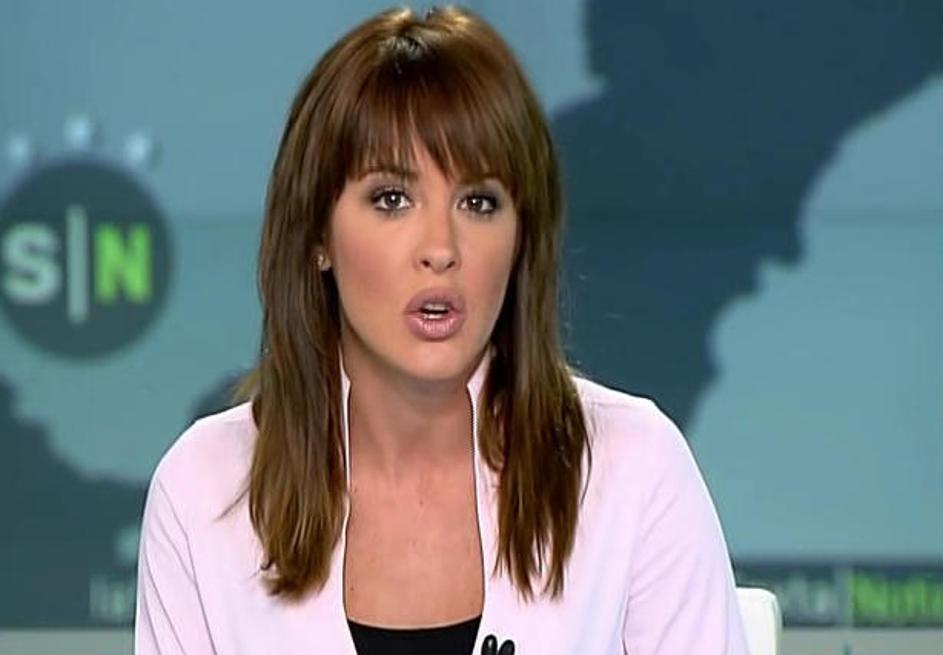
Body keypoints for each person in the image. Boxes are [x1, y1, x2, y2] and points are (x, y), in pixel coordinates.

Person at [133, 5, 749, 654]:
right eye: (392, 199)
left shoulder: (634, 470)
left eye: (478, 202)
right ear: (317, 235)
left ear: (521, 239)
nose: (440, 249)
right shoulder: (205, 490)